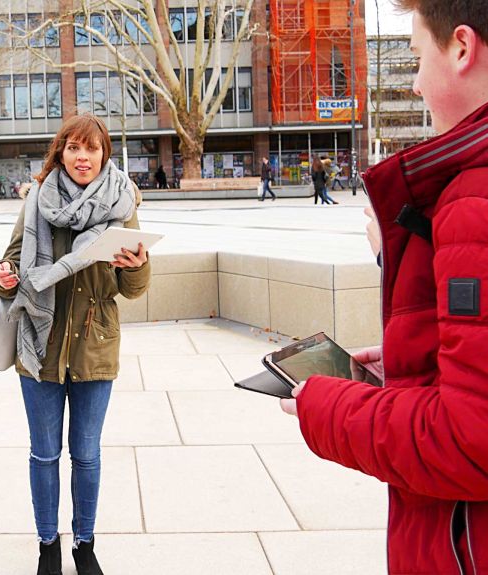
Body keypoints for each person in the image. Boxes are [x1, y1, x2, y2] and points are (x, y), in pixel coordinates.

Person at [281, 2, 488, 573]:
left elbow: (471, 441)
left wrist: (328, 404)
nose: (417, 85)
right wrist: (415, 362)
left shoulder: (474, 201)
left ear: (463, 49)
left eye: (419, 57)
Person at [0, 114, 150, 575]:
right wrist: (2, 277)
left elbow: (134, 288)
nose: (84, 157)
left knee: (86, 453)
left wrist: (136, 264)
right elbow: (12, 262)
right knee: (44, 453)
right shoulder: (38, 200)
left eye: (92, 149)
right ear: (60, 152)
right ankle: (47, 544)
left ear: (105, 155)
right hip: (38, 343)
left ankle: (84, 542)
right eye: (75, 148)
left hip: (94, 344)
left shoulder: (123, 203)